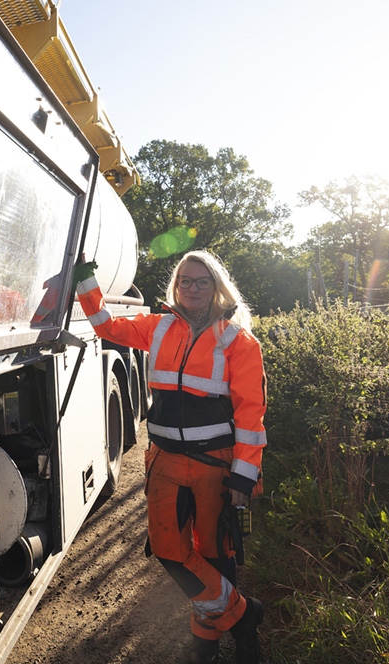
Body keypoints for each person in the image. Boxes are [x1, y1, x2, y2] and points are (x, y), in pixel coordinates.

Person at [74, 250, 266, 664]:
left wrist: (244, 477)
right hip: (164, 461)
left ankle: (206, 643)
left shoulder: (238, 341)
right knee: (169, 551)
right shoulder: (157, 327)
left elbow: (252, 415)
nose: (193, 289)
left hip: (216, 466)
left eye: (202, 282)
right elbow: (104, 325)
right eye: (185, 281)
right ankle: (244, 616)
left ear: (216, 287)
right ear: (175, 287)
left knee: (215, 556)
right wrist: (85, 280)